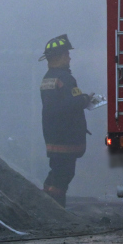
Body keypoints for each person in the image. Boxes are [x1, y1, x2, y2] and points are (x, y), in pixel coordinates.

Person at [38, 34, 90, 207]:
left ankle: (47, 203)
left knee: (56, 172)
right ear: (59, 56)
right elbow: (71, 103)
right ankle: (56, 208)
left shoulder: (47, 78)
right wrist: (85, 99)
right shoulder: (65, 78)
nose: (69, 57)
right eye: (66, 54)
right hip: (67, 137)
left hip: (53, 137)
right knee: (64, 174)